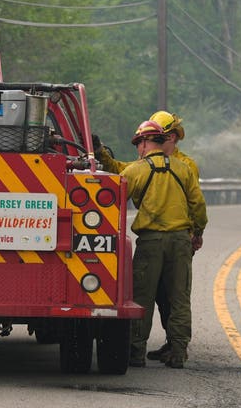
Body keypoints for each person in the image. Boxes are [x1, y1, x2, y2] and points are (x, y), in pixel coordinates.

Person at [93, 111, 205, 363]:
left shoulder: (137, 170)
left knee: (142, 297)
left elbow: (116, 192)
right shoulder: (184, 168)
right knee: (179, 298)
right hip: (180, 241)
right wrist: (197, 232)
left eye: (138, 145)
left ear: (144, 143)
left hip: (151, 242)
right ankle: (178, 352)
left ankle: (135, 351)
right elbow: (198, 204)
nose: (138, 149)